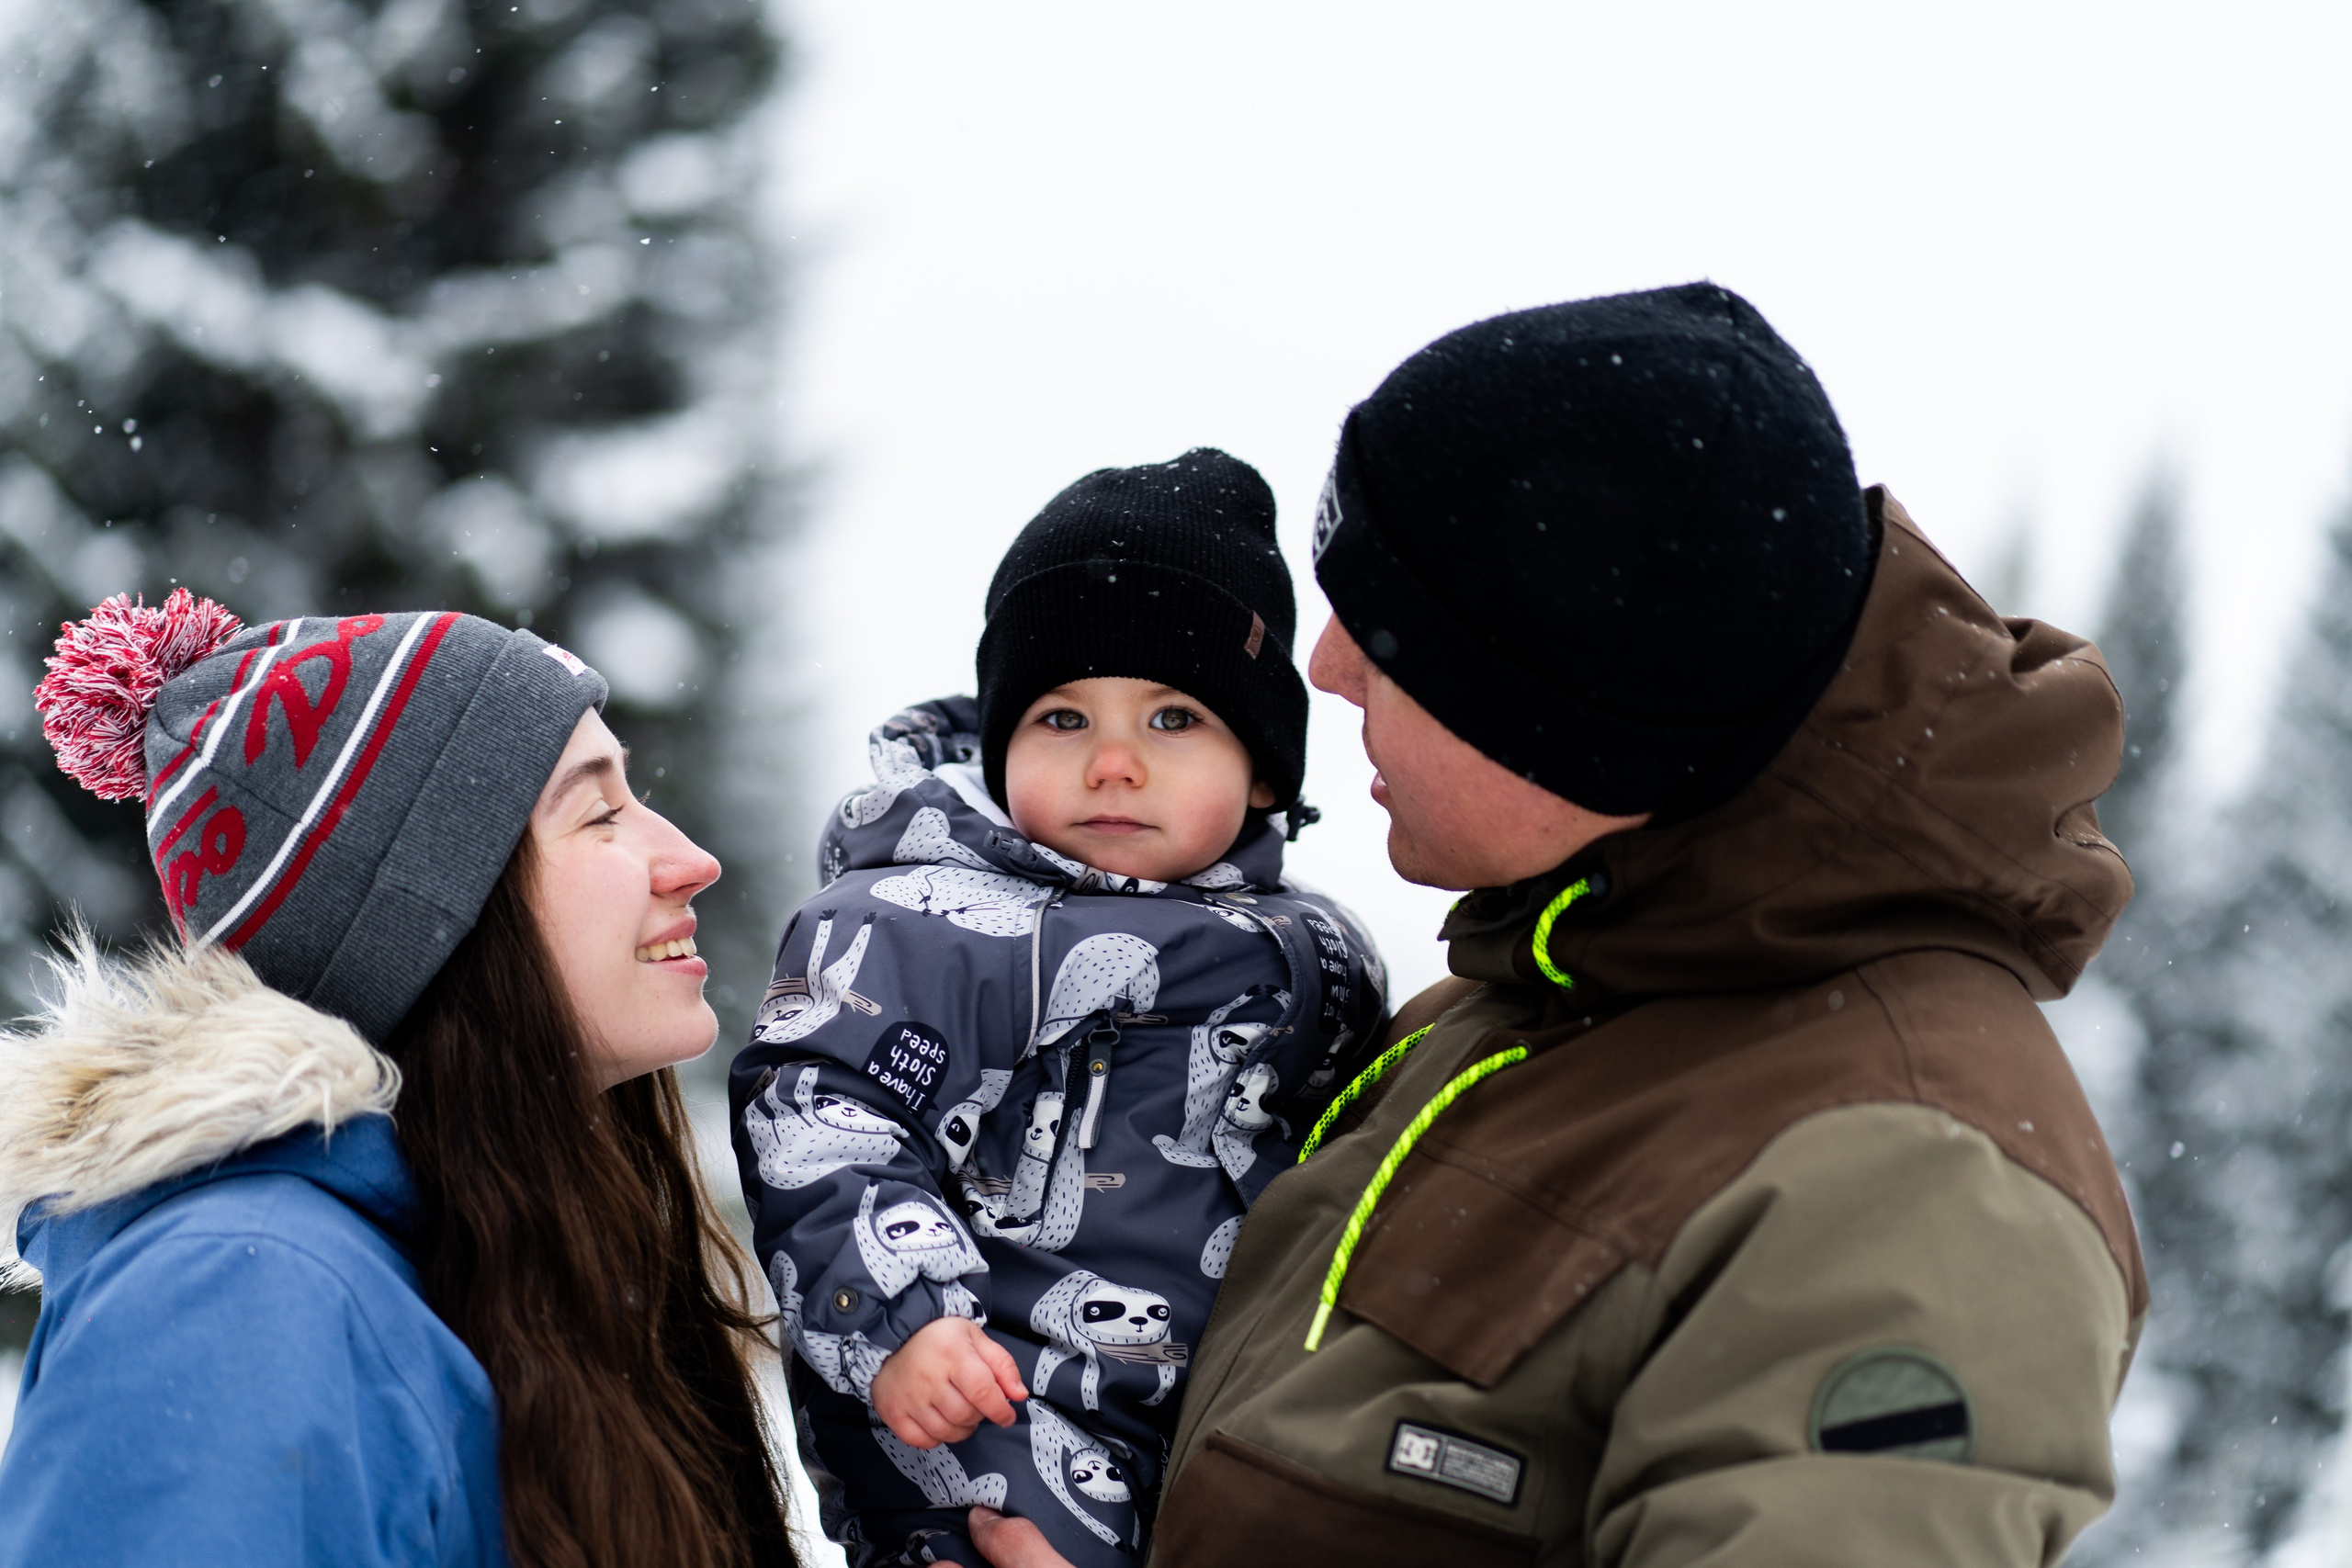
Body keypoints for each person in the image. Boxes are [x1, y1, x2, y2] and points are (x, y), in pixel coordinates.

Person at [967, 284, 2144, 1567]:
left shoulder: (1908, 1186)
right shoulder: (1531, 997)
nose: (1328, 664)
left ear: (1557, 713)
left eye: (1395, 630)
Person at [0, 594, 796, 1568]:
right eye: (600, 814)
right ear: (427, 922)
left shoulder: (498, 1255)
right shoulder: (239, 1293)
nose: (690, 860)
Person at [729, 450, 1387, 1567]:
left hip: (1218, 1406)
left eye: (1174, 719)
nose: (1114, 764)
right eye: (1062, 719)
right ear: (1001, 741)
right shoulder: (923, 923)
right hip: (994, 1395)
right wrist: (904, 1317)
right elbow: (822, 1110)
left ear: (1266, 772)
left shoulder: (1316, 952)